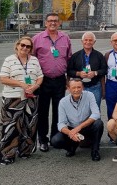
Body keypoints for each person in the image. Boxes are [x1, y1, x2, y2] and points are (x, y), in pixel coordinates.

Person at [0, 36, 43, 165]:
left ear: (31, 49)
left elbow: (40, 76)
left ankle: (25, 150)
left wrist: (35, 86)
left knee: (30, 124)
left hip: (31, 97)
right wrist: (21, 84)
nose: (24, 48)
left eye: (28, 46)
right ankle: (7, 154)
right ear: (17, 45)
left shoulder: (34, 60)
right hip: (13, 97)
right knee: (10, 126)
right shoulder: (9, 60)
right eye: (22, 45)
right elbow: (3, 79)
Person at [32, 13, 72, 152]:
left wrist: (68, 79)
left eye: (55, 21)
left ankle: (56, 137)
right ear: (45, 23)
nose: (53, 23)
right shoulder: (37, 39)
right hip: (43, 80)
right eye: (50, 21)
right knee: (42, 111)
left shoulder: (65, 38)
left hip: (60, 80)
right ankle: (42, 139)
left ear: (59, 23)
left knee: (58, 110)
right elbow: (32, 60)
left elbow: (68, 59)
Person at [51, 78, 104, 161]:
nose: (76, 90)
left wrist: (79, 127)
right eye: (73, 88)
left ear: (82, 87)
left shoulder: (89, 95)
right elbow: (61, 124)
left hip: (85, 127)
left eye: (79, 87)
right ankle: (71, 148)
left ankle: (95, 151)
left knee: (98, 123)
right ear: (68, 89)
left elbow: (96, 114)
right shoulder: (63, 102)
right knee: (55, 141)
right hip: (71, 129)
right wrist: (70, 133)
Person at [67, 32, 107, 111]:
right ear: (82, 41)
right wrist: (78, 73)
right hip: (79, 88)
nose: (88, 42)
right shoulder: (75, 56)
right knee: (79, 110)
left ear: (94, 42)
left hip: (95, 87)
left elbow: (104, 70)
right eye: (86, 40)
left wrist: (95, 73)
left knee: (95, 110)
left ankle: (95, 124)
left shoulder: (99, 56)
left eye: (90, 40)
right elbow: (69, 71)